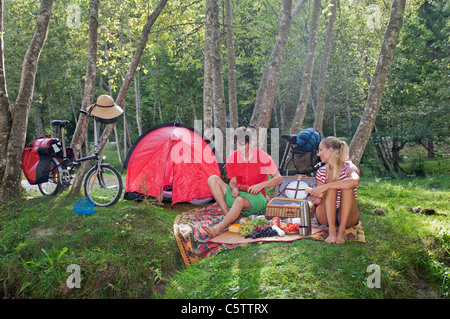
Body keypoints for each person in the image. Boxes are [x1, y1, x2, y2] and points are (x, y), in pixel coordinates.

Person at [202, 127, 283, 238]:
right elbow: (232, 181)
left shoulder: (263, 157)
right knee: (212, 179)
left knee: (240, 200)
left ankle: (217, 228)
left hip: (257, 197)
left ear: (251, 142)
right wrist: (234, 188)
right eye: (237, 145)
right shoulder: (232, 158)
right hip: (238, 194)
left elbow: (279, 178)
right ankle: (228, 215)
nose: (239, 148)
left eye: (242, 144)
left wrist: (261, 185)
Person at [309, 136, 360, 244]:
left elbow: (355, 181)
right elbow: (319, 199)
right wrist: (317, 199)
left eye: (320, 150)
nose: (318, 154)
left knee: (345, 186)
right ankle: (332, 231)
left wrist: (326, 186)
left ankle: (341, 231)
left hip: (348, 216)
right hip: (326, 215)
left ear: (330, 150)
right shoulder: (321, 171)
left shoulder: (349, 167)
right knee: (331, 188)